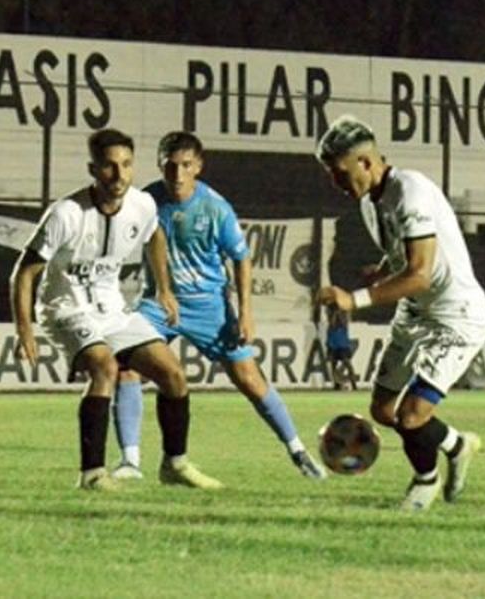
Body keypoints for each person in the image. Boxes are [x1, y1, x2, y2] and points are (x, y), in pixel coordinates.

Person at [11, 128, 222, 491]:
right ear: (93, 169)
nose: (120, 175)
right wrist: (25, 330)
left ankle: (175, 464)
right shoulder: (67, 214)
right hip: (66, 308)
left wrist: (165, 290)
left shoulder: (142, 205)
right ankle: (92, 474)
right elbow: (23, 273)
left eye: (126, 165)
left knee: (173, 374)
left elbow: (154, 235)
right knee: (105, 367)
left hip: (112, 309)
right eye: (109, 167)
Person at [110, 131, 326, 481]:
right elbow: (146, 239)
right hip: (159, 304)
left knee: (249, 378)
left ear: (198, 166)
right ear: (160, 164)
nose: (177, 175)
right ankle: (130, 462)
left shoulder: (215, 207)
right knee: (127, 365)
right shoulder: (146, 200)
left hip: (210, 307)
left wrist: (245, 313)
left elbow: (241, 259)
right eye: (170, 166)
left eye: (185, 166)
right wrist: (161, 289)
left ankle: (298, 451)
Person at [314, 115, 485, 511]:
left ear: (365, 162)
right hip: (414, 314)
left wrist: (354, 298)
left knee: (412, 414)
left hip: (455, 318)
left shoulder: (411, 191)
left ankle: (424, 484)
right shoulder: (369, 202)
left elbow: (421, 274)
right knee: (382, 410)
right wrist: (384, 267)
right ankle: (457, 446)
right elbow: (406, 256)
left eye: (339, 173)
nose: (335, 182)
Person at [324, 307, 358, 390]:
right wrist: (335, 313)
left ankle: (354, 384)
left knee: (347, 364)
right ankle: (336, 384)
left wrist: (338, 313)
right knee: (333, 365)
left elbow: (343, 323)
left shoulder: (343, 315)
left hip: (342, 343)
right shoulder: (331, 312)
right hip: (333, 342)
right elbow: (332, 324)